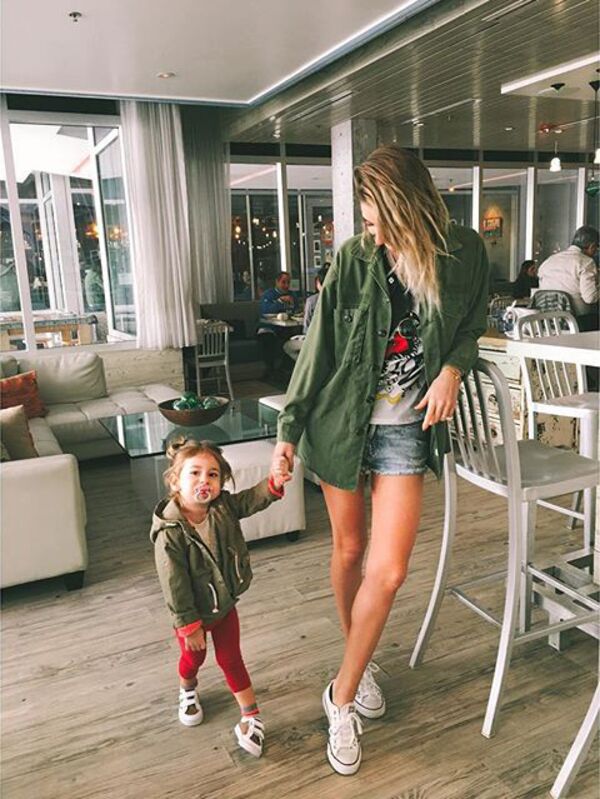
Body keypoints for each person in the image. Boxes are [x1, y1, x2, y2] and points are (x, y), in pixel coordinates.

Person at [272, 145, 489, 775]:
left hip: (405, 431)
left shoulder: (465, 252)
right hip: (339, 422)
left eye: (379, 221)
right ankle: (359, 663)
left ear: (410, 208)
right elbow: (319, 347)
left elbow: (473, 320)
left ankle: (339, 695)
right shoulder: (354, 257)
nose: (373, 234)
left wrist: (452, 368)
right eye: (367, 223)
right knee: (349, 551)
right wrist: (288, 429)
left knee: (388, 571)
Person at [150, 437, 290, 757]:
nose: (205, 480)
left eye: (212, 474)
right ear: (175, 481)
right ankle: (187, 688)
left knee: (230, 658)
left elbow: (250, 500)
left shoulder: (222, 507)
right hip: (193, 614)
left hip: (223, 604)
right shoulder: (170, 532)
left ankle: (251, 715)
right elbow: (173, 583)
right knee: (193, 659)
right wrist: (189, 625)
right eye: (195, 473)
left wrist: (273, 483)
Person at [537, 226, 599, 329]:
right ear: (592, 246)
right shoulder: (586, 262)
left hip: (548, 323)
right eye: (596, 248)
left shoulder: (548, 261)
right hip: (576, 322)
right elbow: (590, 298)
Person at [257, 271, 299, 376]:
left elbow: (296, 311)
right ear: (277, 282)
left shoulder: (292, 295)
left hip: (286, 328)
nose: (286, 285)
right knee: (267, 339)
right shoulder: (268, 295)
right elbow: (265, 311)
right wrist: (279, 301)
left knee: (293, 338)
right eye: (283, 282)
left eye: (288, 282)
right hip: (269, 327)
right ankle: (270, 370)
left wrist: (294, 308)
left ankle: (285, 369)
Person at [303, 266, 329, 334]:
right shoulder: (341, 299)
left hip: (316, 336)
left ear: (318, 282)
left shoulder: (312, 301)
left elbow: (306, 327)